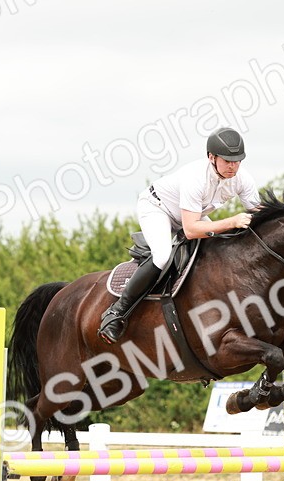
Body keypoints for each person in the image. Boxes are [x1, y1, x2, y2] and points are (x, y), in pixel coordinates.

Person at [97, 127, 262, 344]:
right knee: (162, 256)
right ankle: (116, 312)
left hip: (190, 215)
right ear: (211, 157)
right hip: (158, 208)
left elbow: (260, 213)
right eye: (227, 161)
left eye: (237, 161)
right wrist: (231, 222)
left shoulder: (243, 179)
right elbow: (191, 230)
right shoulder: (196, 177)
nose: (233, 166)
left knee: (219, 250)